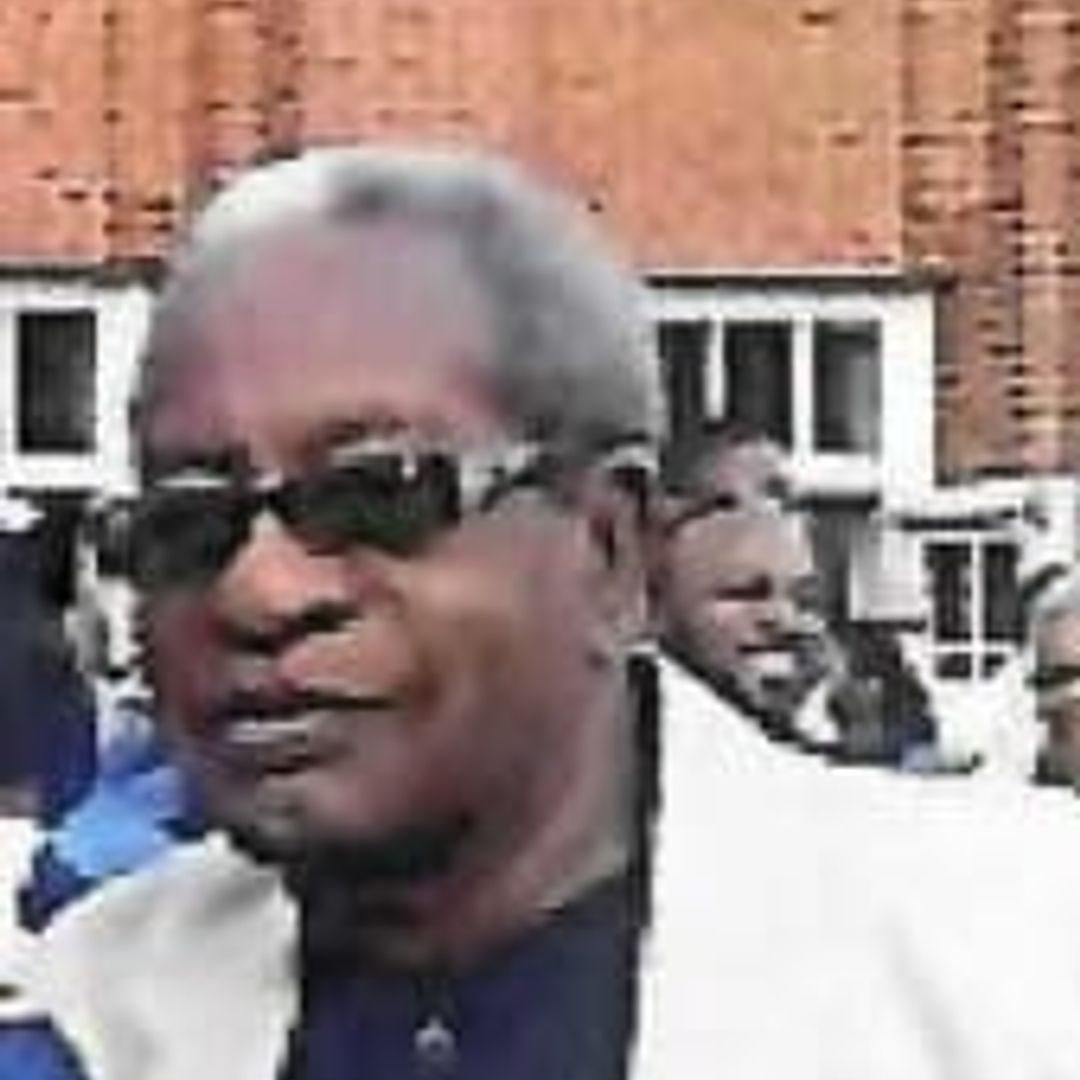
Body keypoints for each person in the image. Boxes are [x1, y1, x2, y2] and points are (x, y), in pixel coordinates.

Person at [10, 145, 1080, 1080]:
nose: (260, 592)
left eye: (378, 495)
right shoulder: (95, 1014)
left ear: (610, 549)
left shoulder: (1019, 959)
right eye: (189, 522)